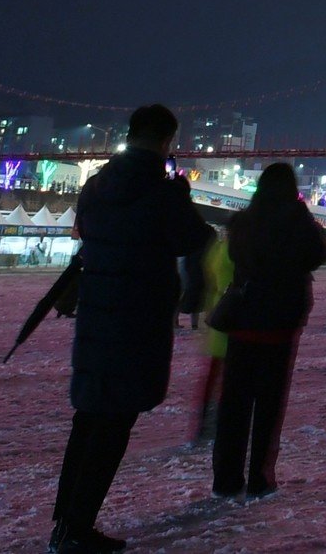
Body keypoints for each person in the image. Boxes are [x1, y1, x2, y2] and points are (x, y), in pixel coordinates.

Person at [51, 102, 212, 553]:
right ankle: (77, 530)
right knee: (113, 426)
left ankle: (65, 523)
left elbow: (87, 234)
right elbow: (195, 239)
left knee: (88, 423)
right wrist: (180, 196)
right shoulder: (162, 193)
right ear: (167, 141)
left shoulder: (97, 186)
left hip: (97, 318)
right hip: (138, 321)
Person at [212, 163, 326, 500]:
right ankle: (260, 480)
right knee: (268, 407)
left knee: (233, 406)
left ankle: (225, 479)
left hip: (242, 321)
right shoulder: (296, 221)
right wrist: (301, 212)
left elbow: (234, 255)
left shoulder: (243, 222)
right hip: (278, 324)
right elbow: (320, 251)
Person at [194, 229, 233, 444]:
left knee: (213, 371)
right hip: (232, 313)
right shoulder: (234, 251)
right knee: (229, 373)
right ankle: (219, 421)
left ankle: (204, 421)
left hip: (217, 312)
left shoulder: (215, 250)